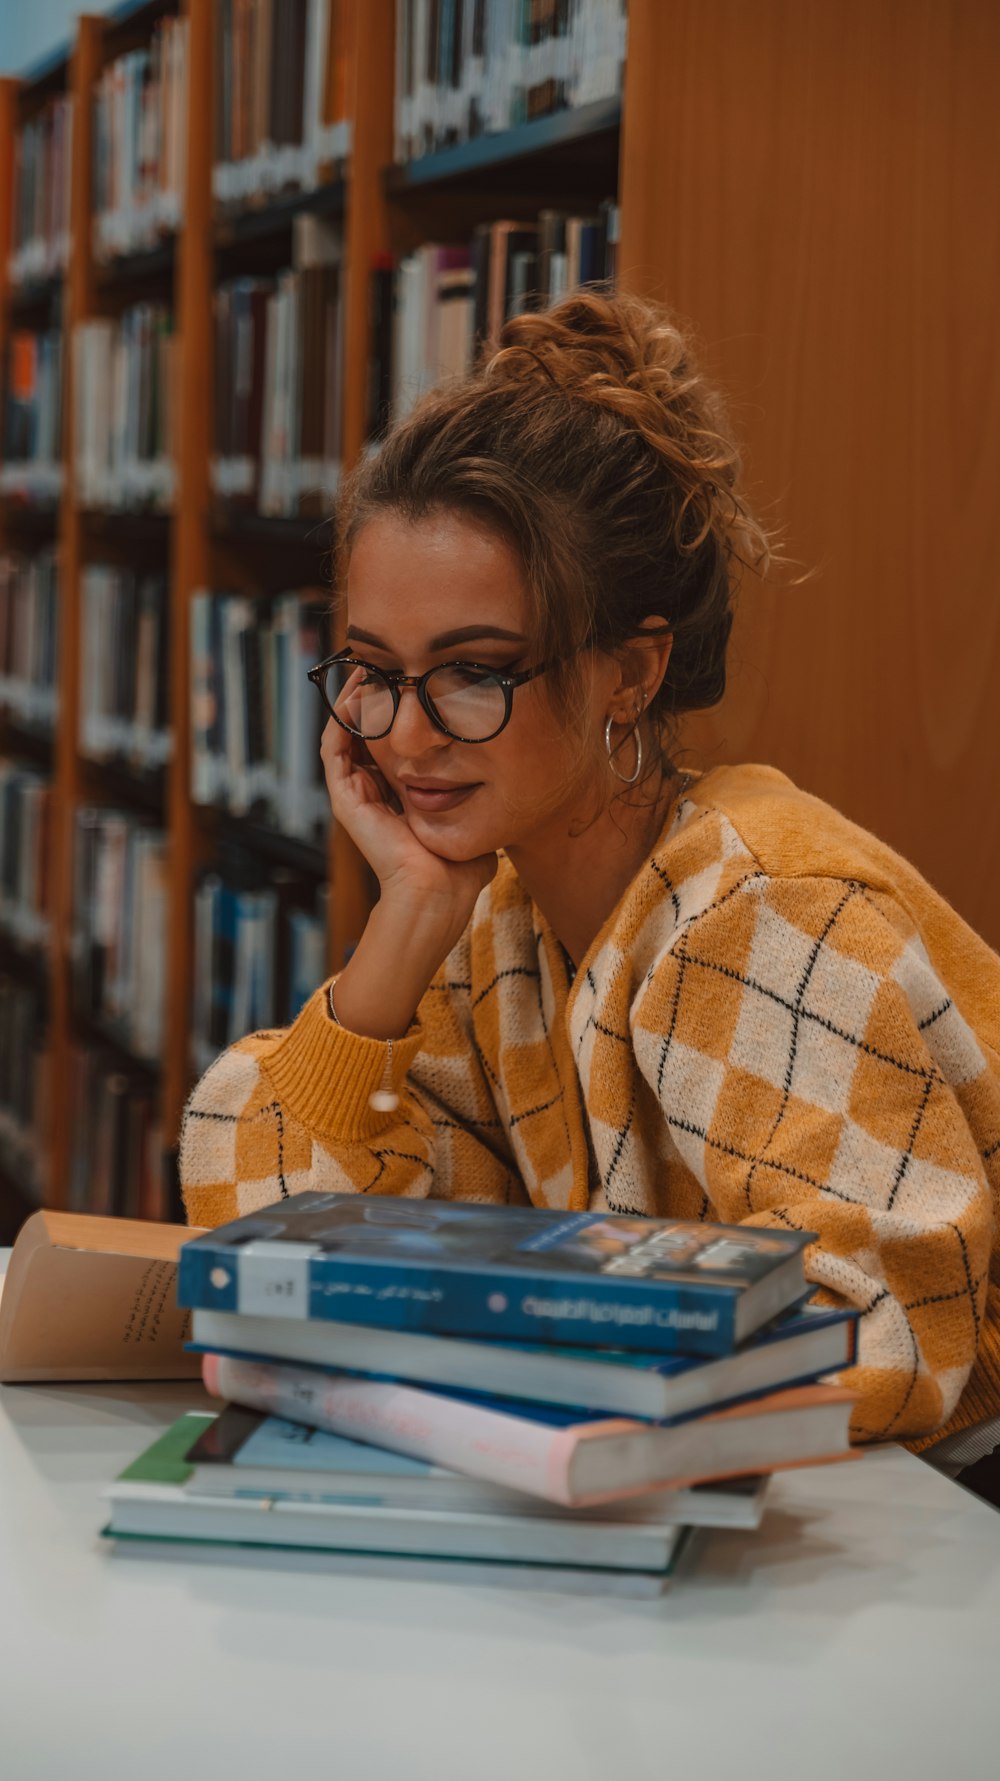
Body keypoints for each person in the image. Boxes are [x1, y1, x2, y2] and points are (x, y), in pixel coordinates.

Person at [180, 288, 1000, 1472]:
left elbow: (877, 1327)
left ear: (631, 670)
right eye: (369, 671)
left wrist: (510, 1336)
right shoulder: (502, 911)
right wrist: (404, 921)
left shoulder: (757, 908)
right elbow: (270, 1234)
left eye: (473, 672)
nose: (405, 736)